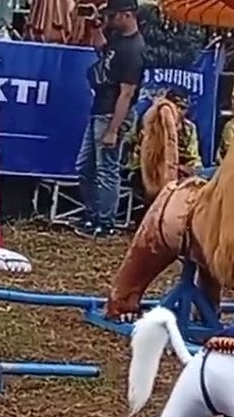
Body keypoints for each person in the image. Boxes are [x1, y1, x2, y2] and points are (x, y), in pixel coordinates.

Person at [72, 0, 145, 238]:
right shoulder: (117, 38)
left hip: (112, 112)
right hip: (100, 108)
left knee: (107, 169)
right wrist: (95, 27)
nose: (109, 20)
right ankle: (94, 214)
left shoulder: (134, 49)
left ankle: (106, 221)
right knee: (85, 167)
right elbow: (101, 50)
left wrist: (114, 128)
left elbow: (127, 93)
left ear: (127, 15)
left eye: (113, 16)